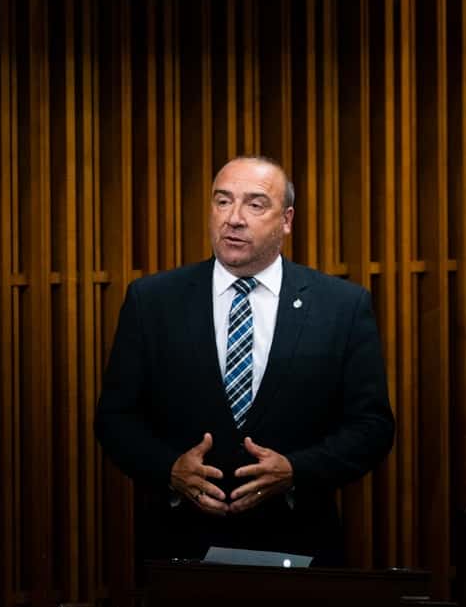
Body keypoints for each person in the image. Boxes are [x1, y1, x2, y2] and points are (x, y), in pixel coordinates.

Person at [94, 155, 394, 566]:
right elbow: (115, 418)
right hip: (180, 546)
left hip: (299, 542)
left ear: (286, 220)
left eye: (255, 204)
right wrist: (170, 470)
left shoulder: (341, 306)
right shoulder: (153, 301)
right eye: (223, 201)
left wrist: (296, 471)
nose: (234, 218)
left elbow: (372, 426)